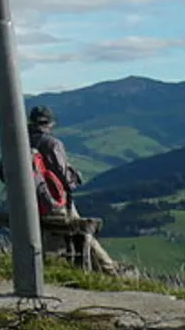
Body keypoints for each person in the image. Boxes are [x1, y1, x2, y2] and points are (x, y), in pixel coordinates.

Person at [9, 106, 118, 275]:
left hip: (23, 201)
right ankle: (108, 269)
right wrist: (75, 176)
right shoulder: (52, 144)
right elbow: (64, 177)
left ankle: (101, 267)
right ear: (50, 123)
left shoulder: (18, 141)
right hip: (54, 201)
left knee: (52, 234)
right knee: (82, 230)